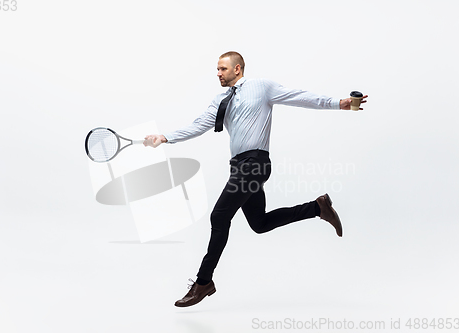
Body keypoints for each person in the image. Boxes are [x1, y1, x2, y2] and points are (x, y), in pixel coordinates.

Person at [144, 51, 368, 307]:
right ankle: (318, 207)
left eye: (222, 69)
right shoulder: (220, 100)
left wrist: (338, 103)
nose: (218, 73)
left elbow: (300, 96)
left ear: (237, 69)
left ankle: (204, 282)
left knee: (219, 217)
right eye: (217, 69)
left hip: (255, 165)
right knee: (259, 223)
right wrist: (165, 137)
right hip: (239, 167)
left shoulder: (261, 87)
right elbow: (198, 125)